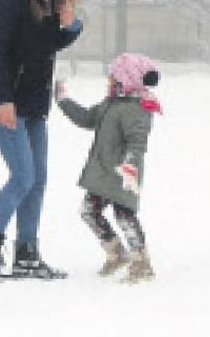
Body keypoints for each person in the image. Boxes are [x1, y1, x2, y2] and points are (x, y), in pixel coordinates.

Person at [0, 0, 83, 278]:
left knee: (38, 180)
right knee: (23, 177)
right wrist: (3, 98)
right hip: (4, 104)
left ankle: (27, 254)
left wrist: (71, 25)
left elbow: (46, 45)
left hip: (34, 105)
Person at [55, 53, 161, 283]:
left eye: (113, 77)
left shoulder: (138, 108)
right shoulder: (111, 103)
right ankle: (117, 253)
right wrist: (64, 101)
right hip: (103, 173)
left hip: (124, 173)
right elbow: (87, 119)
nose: (108, 81)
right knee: (89, 211)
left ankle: (142, 264)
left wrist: (130, 169)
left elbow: (137, 143)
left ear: (127, 80)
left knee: (124, 215)